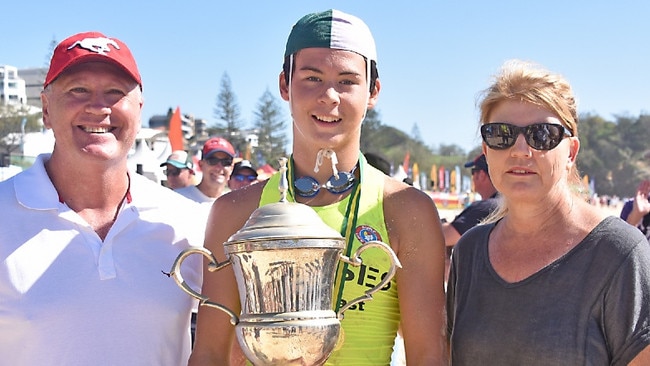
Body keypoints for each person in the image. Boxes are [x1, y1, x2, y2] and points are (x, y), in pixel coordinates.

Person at [189, 9, 447, 365]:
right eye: (312, 77)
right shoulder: (235, 212)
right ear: (285, 85)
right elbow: (208, 354)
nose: (329, 96)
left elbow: (428, 355)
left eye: (347, 81)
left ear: (372, 91)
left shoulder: (405, 209)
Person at [0, 31, 205, 365]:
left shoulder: (188, 222)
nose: (98, 107)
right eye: (78, 90)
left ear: (139, 110)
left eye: (115, 92)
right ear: (46, 108)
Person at [446, 59, 650, 364]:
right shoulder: (470, 251)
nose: (520, 150)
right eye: (501, 134)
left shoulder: (618, 252)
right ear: (487, 152)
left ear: (570, 152)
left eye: (542, 134)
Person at [441, 154, 498, 282]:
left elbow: (444, 237)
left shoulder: (485, 207)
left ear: (481, 175)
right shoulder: (506, 203)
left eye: (473, 172)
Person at [175, 137, 235, 204]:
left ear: (231, 168)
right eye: (213, 161)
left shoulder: (234, 204)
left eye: (226, 162)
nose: (219, 167)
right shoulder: (178, 198)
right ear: (201, 165)